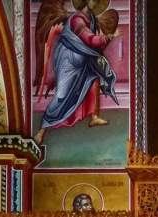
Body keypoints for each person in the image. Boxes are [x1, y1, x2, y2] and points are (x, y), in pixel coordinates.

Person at [35, 0, 119, 146]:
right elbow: (90, 40)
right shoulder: (77, 19)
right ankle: (41, 131)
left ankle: (94, 117)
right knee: (61, 96)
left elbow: (91, 42)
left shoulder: (91, 19)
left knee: (93, 79)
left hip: (82, 58)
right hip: (69, 60)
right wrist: (109, 37)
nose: (95, 2)